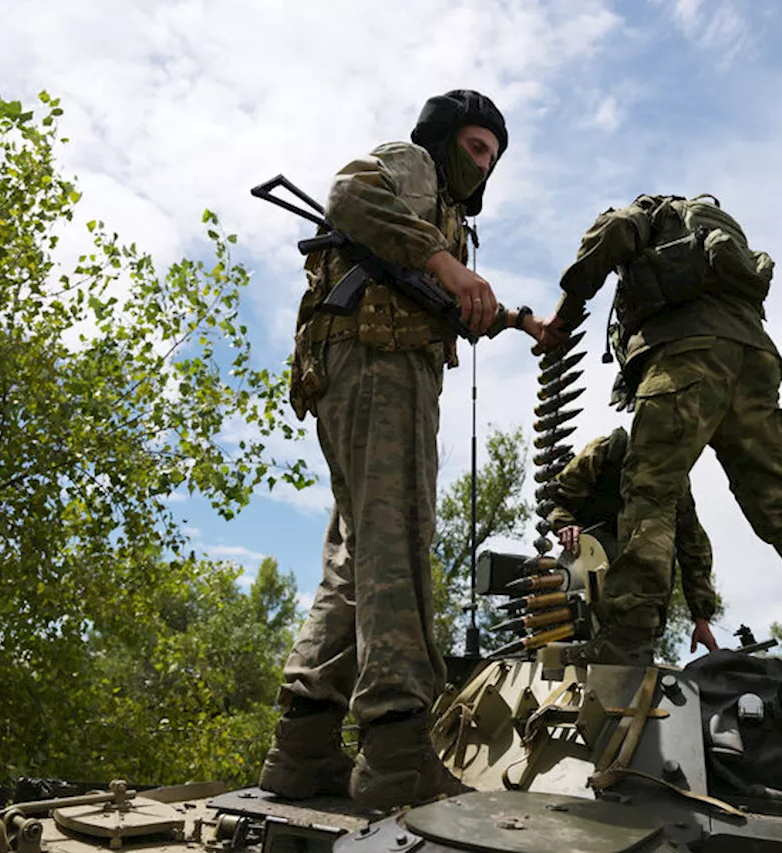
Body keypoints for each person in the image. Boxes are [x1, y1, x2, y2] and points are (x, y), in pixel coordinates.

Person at [259, 90, 546, 812]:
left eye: (494, 158)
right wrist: (446, 264)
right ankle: (395, 752)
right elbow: (351, 194)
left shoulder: (440, 215)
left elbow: (447, 297)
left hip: (365, 366)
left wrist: (514, 319)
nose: (483, 166)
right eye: (476, 148)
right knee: (397, 539)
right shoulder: (414, 165)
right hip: (380, 366)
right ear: (447, 139)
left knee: (358, 553)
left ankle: (304, 746)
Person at [536, 192, 782, 667]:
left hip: (686, 354)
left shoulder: (650, 213)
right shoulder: (720, 237)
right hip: (756, 358)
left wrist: (569, 306)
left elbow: (612, 232)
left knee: (650, 490)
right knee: (778, 496)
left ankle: (629, 636)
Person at [547, 426, 720, 654]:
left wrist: (701, 617)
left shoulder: (675, 483)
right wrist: (565, 525)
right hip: (585, 571)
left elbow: (693, 546)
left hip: (641, 594)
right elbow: (559, 500)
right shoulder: (604, 452)